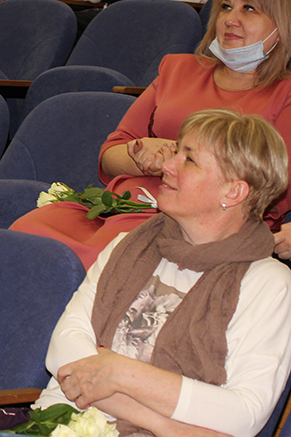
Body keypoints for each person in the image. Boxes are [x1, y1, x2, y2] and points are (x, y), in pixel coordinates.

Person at [33, 108, 291, 436]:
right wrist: (157, 418)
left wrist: (122, 373)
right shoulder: (128, 245)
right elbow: (64, 346)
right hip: (55, 422)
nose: (167, 165)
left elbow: (244, 414)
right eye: (176, 152)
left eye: (189, 160)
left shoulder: (268, 284)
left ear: (233, 192)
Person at [12, 0, 291, 268]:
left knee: (95, 261)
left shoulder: (285, 93)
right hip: (123, 204)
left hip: (201, 222)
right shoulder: (177, 70)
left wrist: (178, 162)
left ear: (283, 24)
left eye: (249, 9)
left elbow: (274, 185)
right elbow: (110, 154)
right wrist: (143, 155)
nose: (230, 19)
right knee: (24, 236)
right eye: (226, 6)